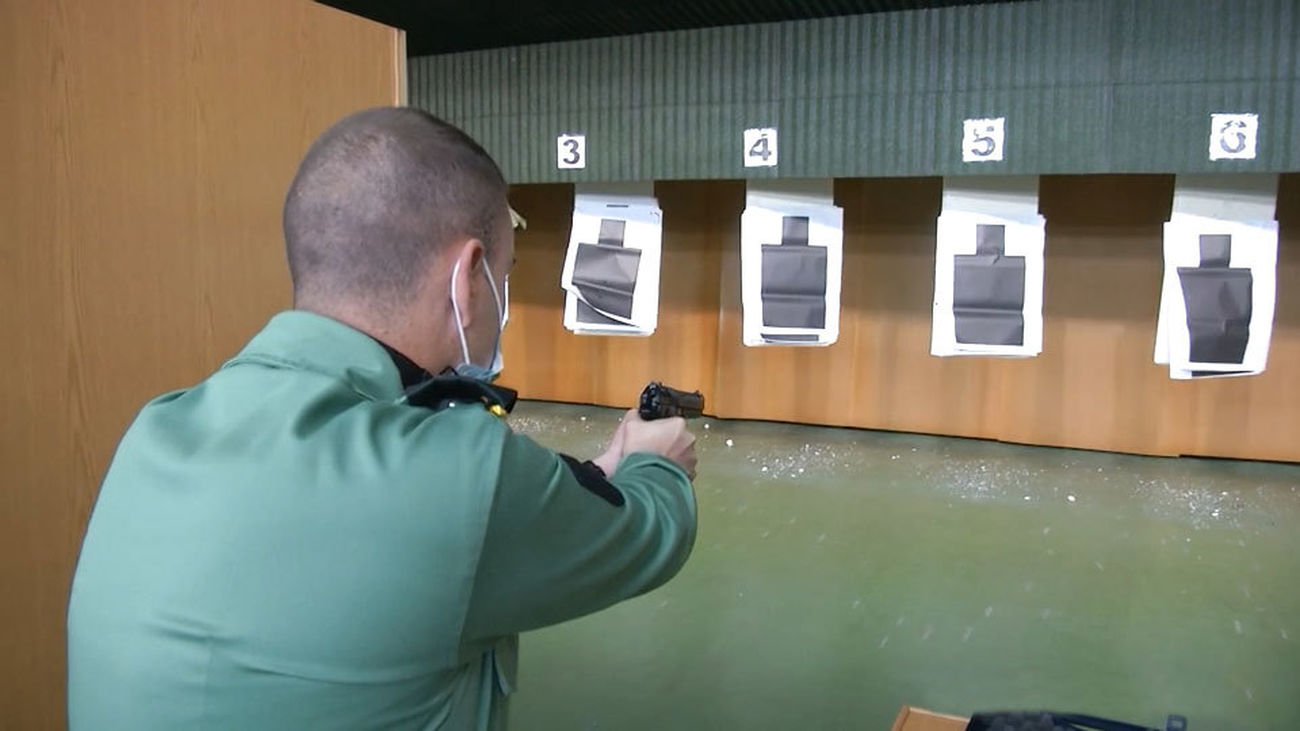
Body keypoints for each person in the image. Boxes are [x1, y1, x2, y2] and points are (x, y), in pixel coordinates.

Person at [66, 107, 699, 730]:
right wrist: (654, 463)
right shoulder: (461, 472)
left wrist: (596, 472)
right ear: (467, 278)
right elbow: (647, 533)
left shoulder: (154, 432)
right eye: (504, 275)